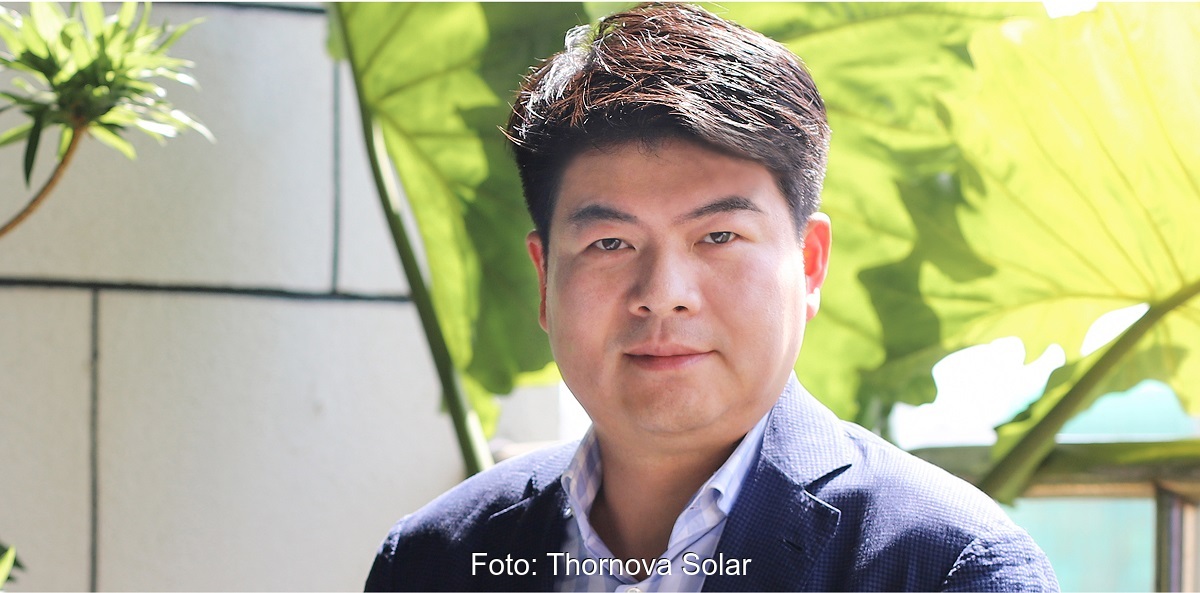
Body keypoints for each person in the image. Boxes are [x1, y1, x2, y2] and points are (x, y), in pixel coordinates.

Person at [366, 3, 1059, 591]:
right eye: (610, 242)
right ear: (545, 279)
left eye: (719, 236)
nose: (663, 295)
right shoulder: (433, 560)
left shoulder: (947, 566)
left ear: (809, 264)